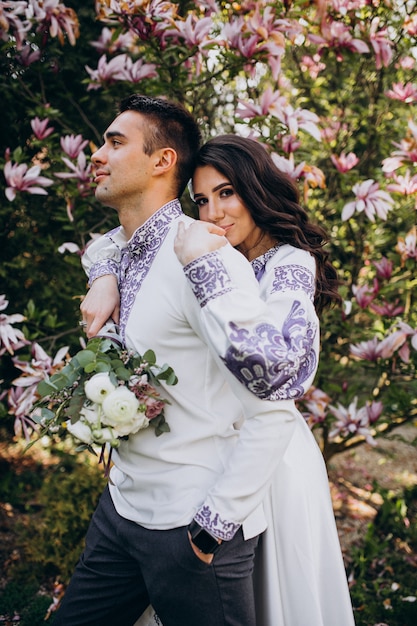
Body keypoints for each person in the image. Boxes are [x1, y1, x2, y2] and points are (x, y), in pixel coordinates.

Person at [78, 132, 356, 626]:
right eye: (202, 200)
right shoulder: (212, 243)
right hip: (214, 454)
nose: (213, 213)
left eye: (227, 193)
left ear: (256, 189)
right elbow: (114, 243)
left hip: (271, 459)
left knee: (276, 598)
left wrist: (205, 267)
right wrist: (106, 277)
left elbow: (276, 370)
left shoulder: (289, 263)